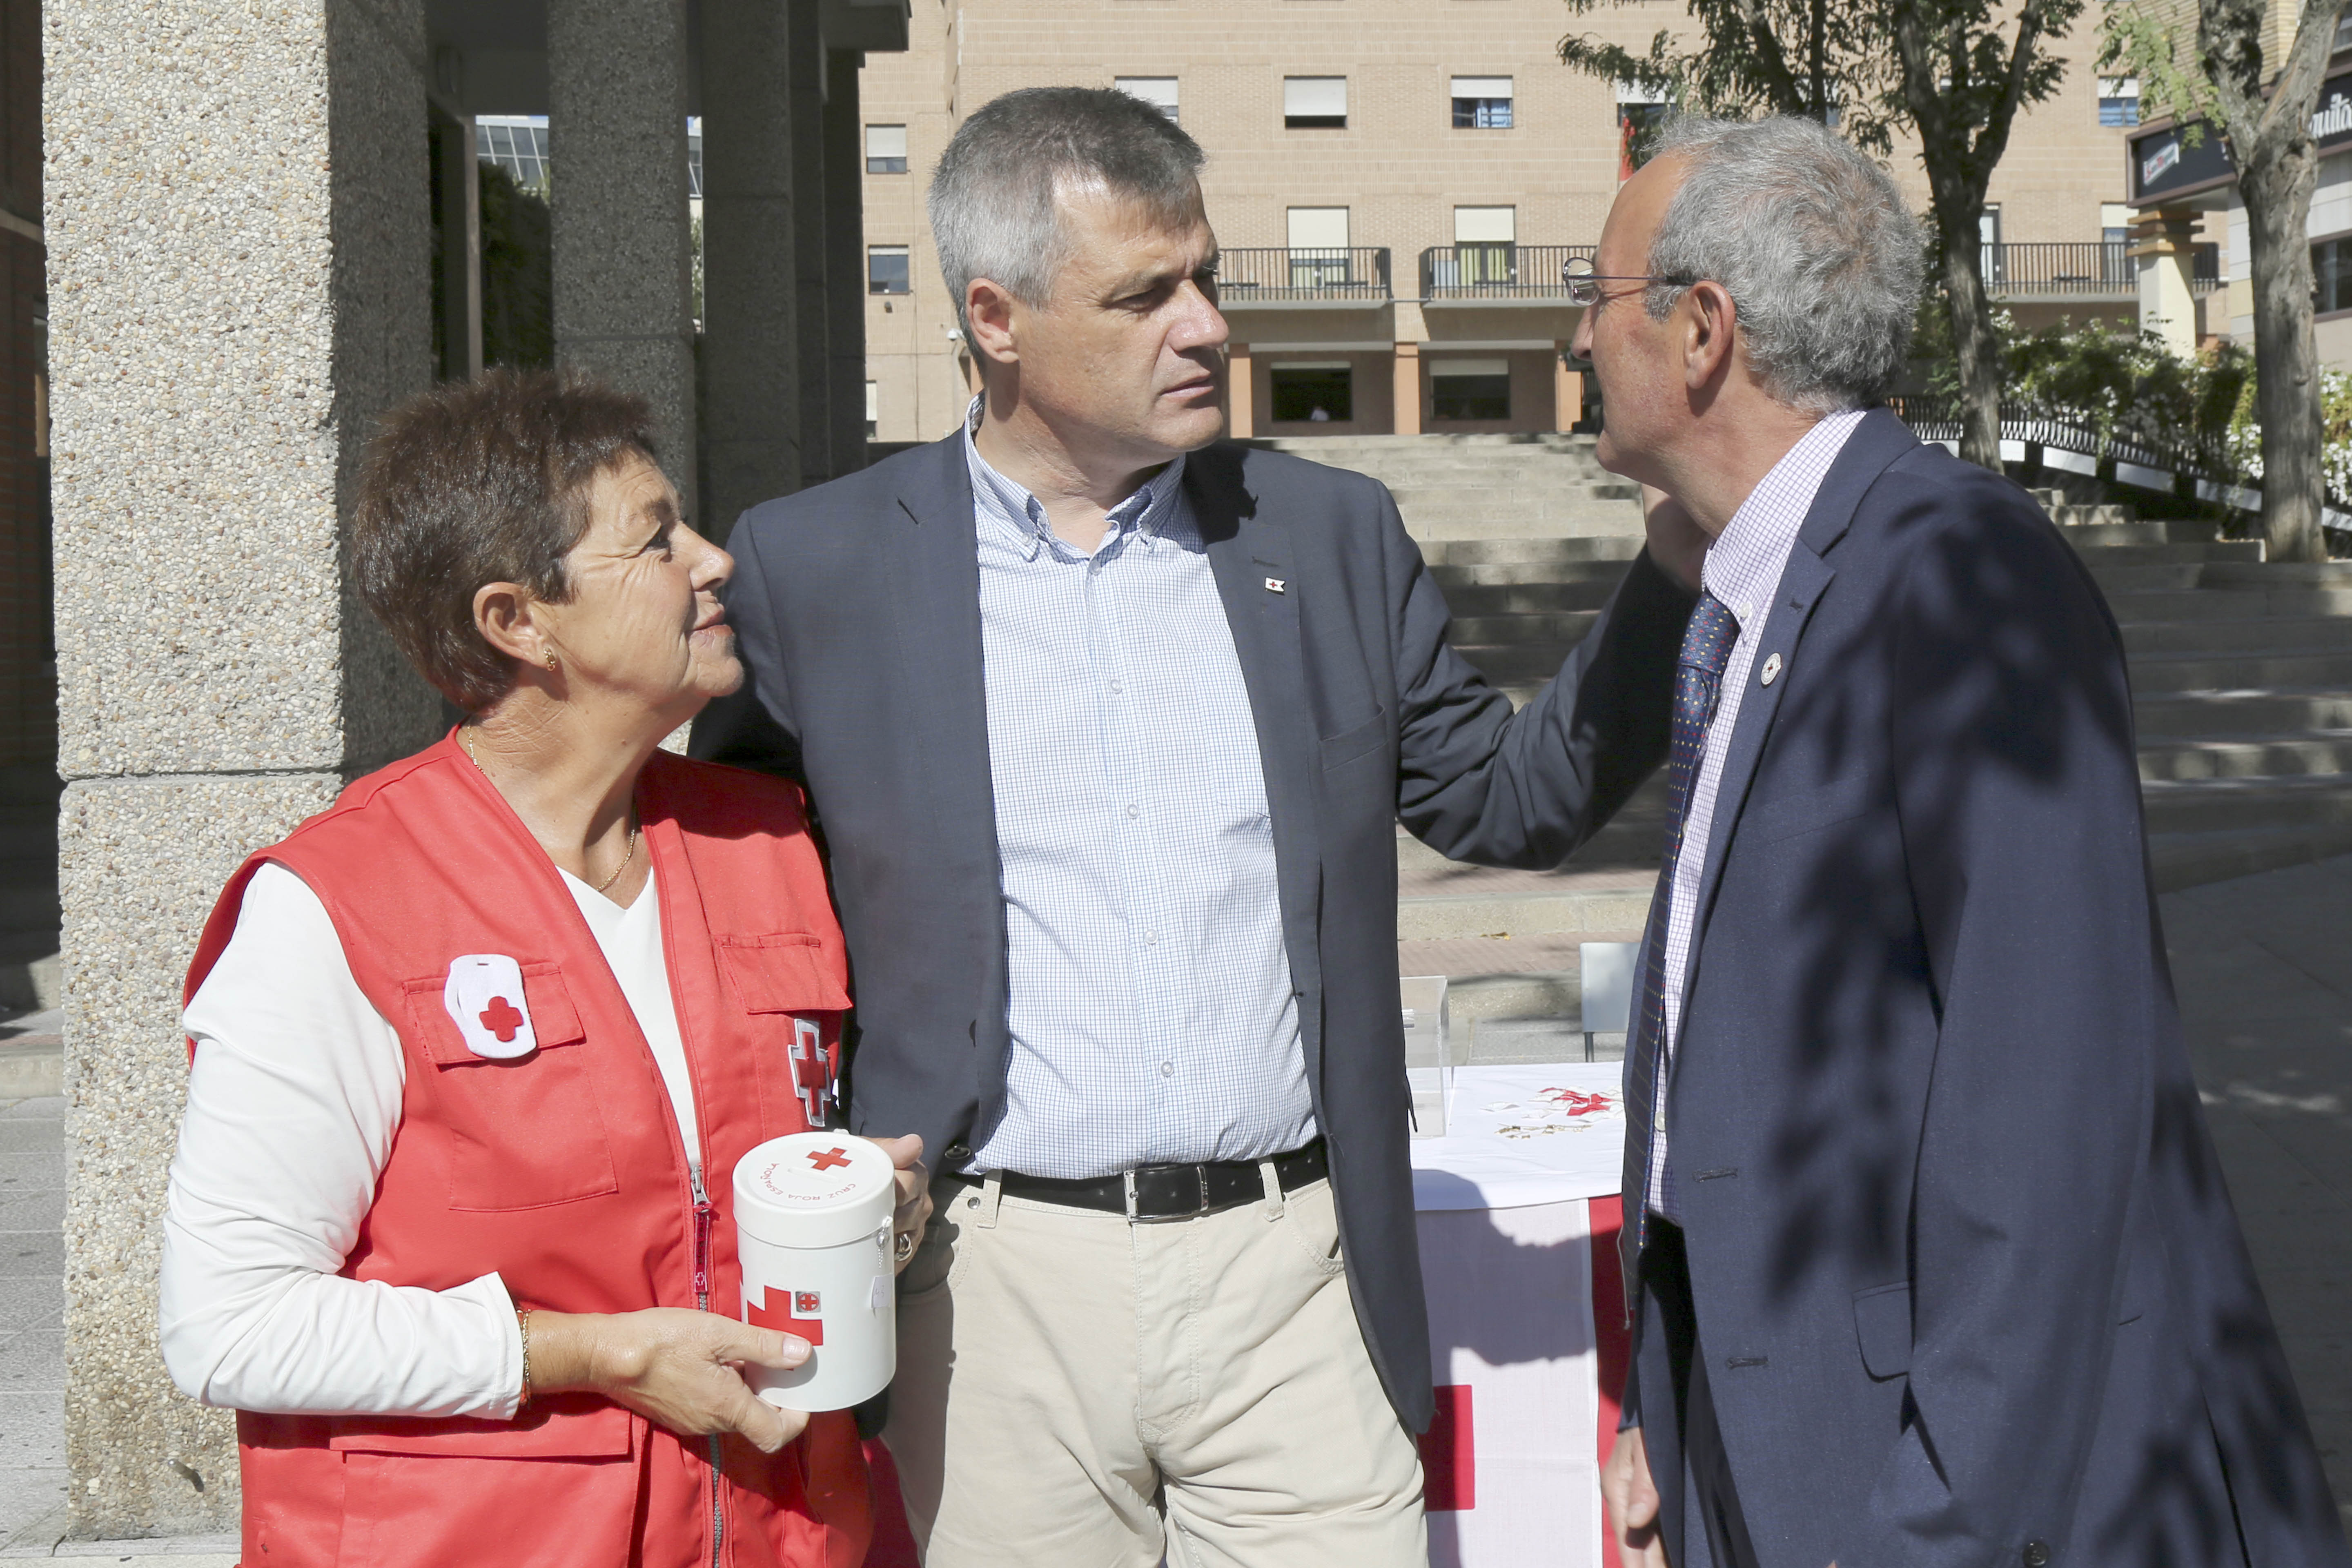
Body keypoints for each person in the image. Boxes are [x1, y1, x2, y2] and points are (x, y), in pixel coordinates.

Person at [693, 86, 1697, 1566]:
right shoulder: (815, 568)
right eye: (1146, 294)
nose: (1208, 325)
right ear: (995, 317)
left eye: (1207, 277)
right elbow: (738, 902)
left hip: (1296, 1273)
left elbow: (1508, 795)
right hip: (989, 1287)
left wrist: (1681, 553)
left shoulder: (1326, 535)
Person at [1577, 116, 2352, 1568]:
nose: (1575, 336)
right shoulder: (1769, 588)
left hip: (1936, 1492)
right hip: (1779, 1430)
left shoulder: (1958, 576)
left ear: (1701, 332)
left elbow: (2045, 1114)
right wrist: (1678, 1414)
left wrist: (1940, 1528)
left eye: (1596, 292)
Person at [158, 370, 931, 1568]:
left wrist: (862, 1211)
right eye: (657, 538)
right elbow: (230, 1324)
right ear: (518, 621)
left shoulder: (770, 838)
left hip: (783, 1533)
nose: (717, 560)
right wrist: (597, 1351)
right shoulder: (335, 906)